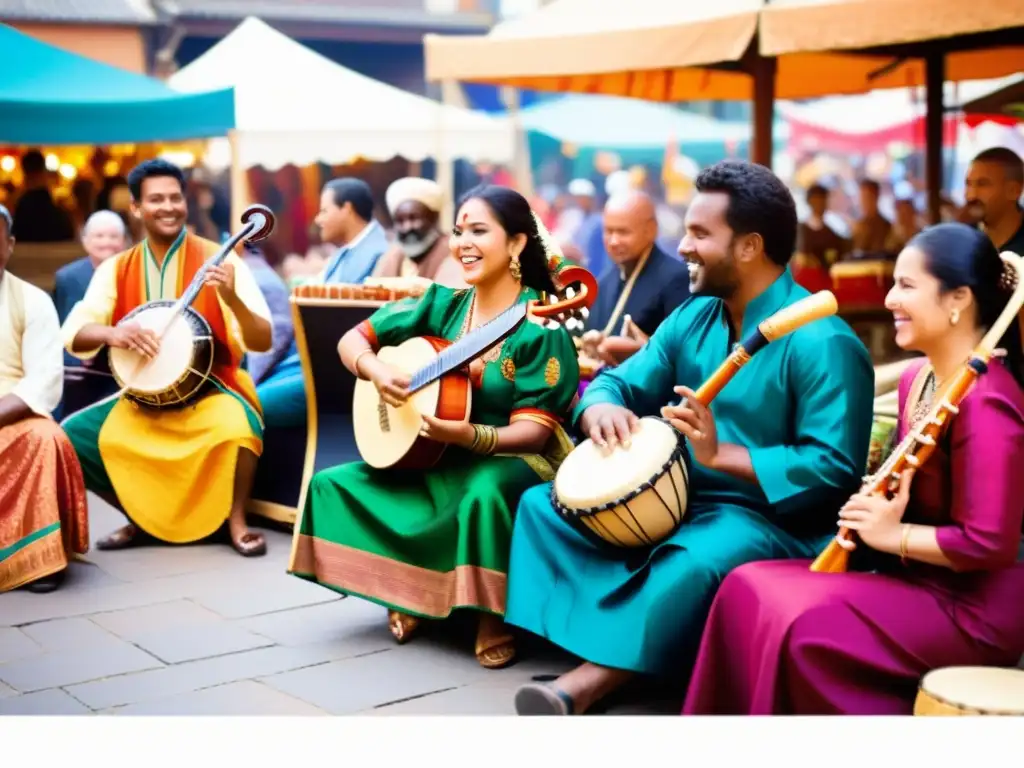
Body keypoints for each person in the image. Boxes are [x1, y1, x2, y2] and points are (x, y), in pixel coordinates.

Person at [507, 160, 875, 716]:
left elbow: (833, 470)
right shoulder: (695, 314)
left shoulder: (823, 341)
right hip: (675, 498)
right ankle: (630, 647)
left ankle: (588, 681)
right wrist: (599, 411)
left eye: (700, 234)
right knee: (542, 506)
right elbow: (613, 382)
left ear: (750, 247)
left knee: (694, 559)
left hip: (768, 520)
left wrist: (721, 455)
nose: (682, 247)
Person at [682, 223, 1024, 715]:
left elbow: (990, 543)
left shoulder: (988, 401)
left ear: (959, 300)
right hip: (919, 583)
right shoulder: (918, 379)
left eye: (906, 286)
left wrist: (892, 535)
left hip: (972, 611)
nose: (888, 300)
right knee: (744, 586)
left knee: (800, 623)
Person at [289, 185, 581, 669]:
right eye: (459, 230)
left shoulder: (541, 324)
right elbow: (352, 340)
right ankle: (408, 591)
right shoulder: (442, 302)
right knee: (331, 485)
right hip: (436, 450)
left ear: (516, 244)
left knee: (483, 493)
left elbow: (534, 434)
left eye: (479, 231)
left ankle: (493, 614)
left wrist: (466, 436)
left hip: (509, 457)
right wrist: (376, 370)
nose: (463, 241)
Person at [59, 159, 274, 557]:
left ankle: (236, 521)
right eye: (156, 199)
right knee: (71, 437)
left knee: (239, 427)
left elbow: (261, 339)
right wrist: (113, 332)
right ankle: (140, 519)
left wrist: (231, 298)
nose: (168, 207)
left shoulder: (221, 259)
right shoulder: (115, 268)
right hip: (143, 397)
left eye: (176, 198)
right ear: (137, 209)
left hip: (210, 391)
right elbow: (74, 332)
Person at [0, 204, 88, 594]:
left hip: (13, 410)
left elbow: (44, 380)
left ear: (9, 245)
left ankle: (36, 557)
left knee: (46, 439)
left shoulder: (32, 300)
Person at [254, 177, 389, 429]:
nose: (317, 219)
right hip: (308, 358)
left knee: (254, 405)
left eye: (324, 210)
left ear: (346, 209)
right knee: (244, 395)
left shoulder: (378, 252)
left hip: (333, 368)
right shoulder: (350, 248)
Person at [578, 190, 690, 370]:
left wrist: (644, 351)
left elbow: (684, 355)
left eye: (623, 232)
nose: (614, 241)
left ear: (651, 230)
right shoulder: (605, 281)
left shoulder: (676, 279)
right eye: (608, 231)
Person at [372, 177, 467, 288]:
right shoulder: (391, 257)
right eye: (400, 221)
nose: (407, 227)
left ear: (433, 218)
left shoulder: (453, 254)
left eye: (414, 219)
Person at [962, 147, 1024, 257]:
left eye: (983, 184)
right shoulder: (960, 241)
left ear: (1014, 191)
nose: (971, 196)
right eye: (968, 184)